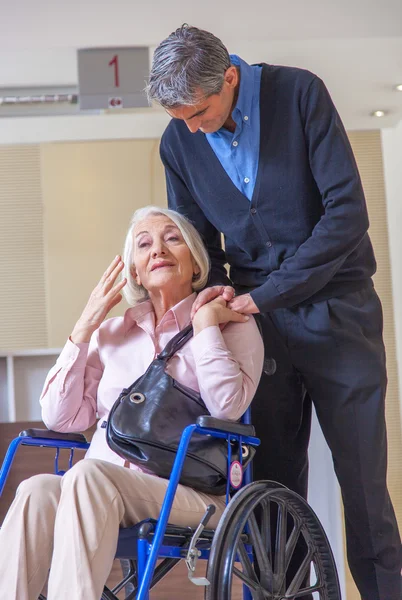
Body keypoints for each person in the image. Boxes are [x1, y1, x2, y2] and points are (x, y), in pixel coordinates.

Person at [146, 24, 402, 600]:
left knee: (362, 486)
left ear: (230, 78)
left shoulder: (301, 95)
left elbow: (346, 214)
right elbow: (201, 247)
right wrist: (208, 305)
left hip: (339, 313)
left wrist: (266, 293)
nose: (189, 127)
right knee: (271, 485)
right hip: (258, 328)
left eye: (199, 112)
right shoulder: (178, 141)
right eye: (179, 116)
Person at [0, 205, 264, 600]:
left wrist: (206, 324)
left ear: (195, 263)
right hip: (98, 488)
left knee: (87, 477)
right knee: (37, 490)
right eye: (144, 244)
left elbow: (227, 407)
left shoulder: (230, 322)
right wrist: (83, 328)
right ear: (135, 272)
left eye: (172, 239)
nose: (158, 249)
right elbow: (60, 416)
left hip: (189, 492)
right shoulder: (111, 334)